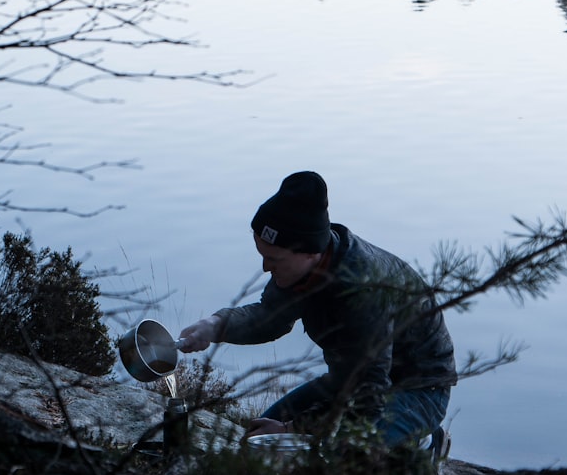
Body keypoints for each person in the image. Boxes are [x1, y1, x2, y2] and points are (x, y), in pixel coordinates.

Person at [179, 171, 456, 452]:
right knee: (257, 436)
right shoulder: (301, 268)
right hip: (348, 379)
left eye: (273, 259)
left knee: (345, 455)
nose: (265, 268)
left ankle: (423, 446)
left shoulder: (361, 290)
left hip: (418, 389)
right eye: (262, 255)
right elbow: (269, 318)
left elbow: (369, 390)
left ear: (310, 253)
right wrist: (214, 325)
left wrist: (293, 431)